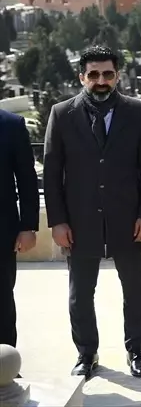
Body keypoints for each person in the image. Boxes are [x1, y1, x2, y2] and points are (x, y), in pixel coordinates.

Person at [43, 46, 141, 379]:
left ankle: (136, 349)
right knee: (80, 294)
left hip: (128, 220)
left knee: (135, 289)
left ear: (117, 76)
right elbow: (52, 173)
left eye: (108, 74)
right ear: (82, 77)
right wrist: (58, 221)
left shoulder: (137, 112)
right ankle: (86, 354)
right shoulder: (61, 114)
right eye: (93, 74)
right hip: (80, 222)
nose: (101, 81)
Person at [1, 107, 39, 350]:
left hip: (2, 232)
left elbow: (26, 178)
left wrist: (28, 226)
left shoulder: (11, 125)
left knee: (2, 301)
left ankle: (5, 369)